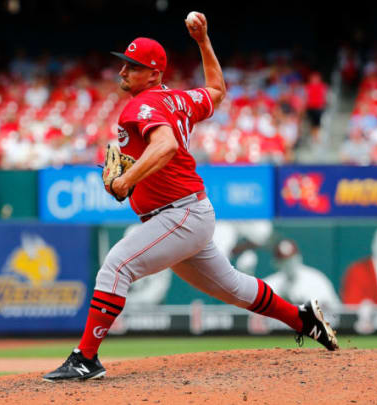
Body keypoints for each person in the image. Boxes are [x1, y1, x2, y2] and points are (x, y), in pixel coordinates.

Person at [43, 12, 338, 383]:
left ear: (154, 74)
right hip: (187, 214)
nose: (123, 73)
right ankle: (304, 320)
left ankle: (86, 358)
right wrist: (203, 42)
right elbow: (216, 90)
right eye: (123, 65)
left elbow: (164, 144)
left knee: (116, 267)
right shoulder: (179, 99)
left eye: (133, 67)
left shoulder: (142, 105)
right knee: (233, 287)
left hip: (178, 214)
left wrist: (125, 181)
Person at [264, 239, 340, 309]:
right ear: (276, 263)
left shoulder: (316, 279)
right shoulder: (270, 284)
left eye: (292, 259)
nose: (289, 264)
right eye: (284, 261)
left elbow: (336, 310)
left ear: (299, 257)